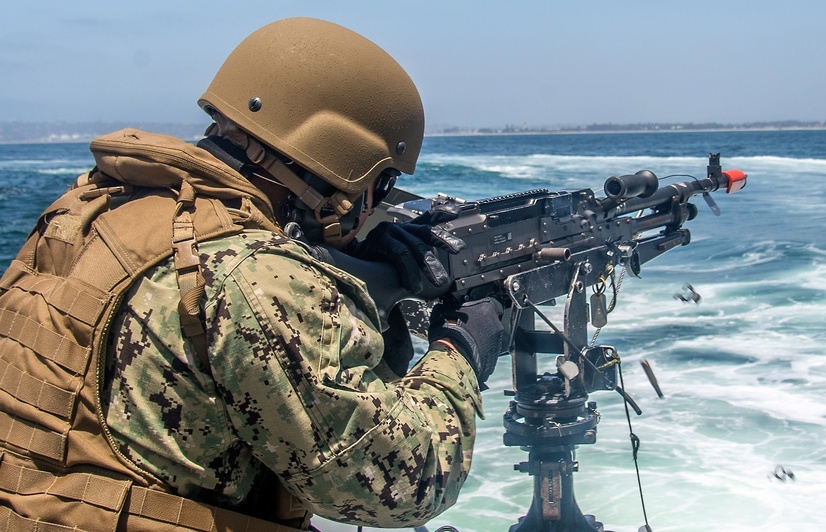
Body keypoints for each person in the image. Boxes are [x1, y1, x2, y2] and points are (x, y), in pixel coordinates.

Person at [0, 17, 506, 531]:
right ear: (338, 169)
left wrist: (370, 302)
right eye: (382, 181)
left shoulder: (94, 208)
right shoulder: (256, 275)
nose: (376, 203)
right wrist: (461, 348)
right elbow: (406, 484)